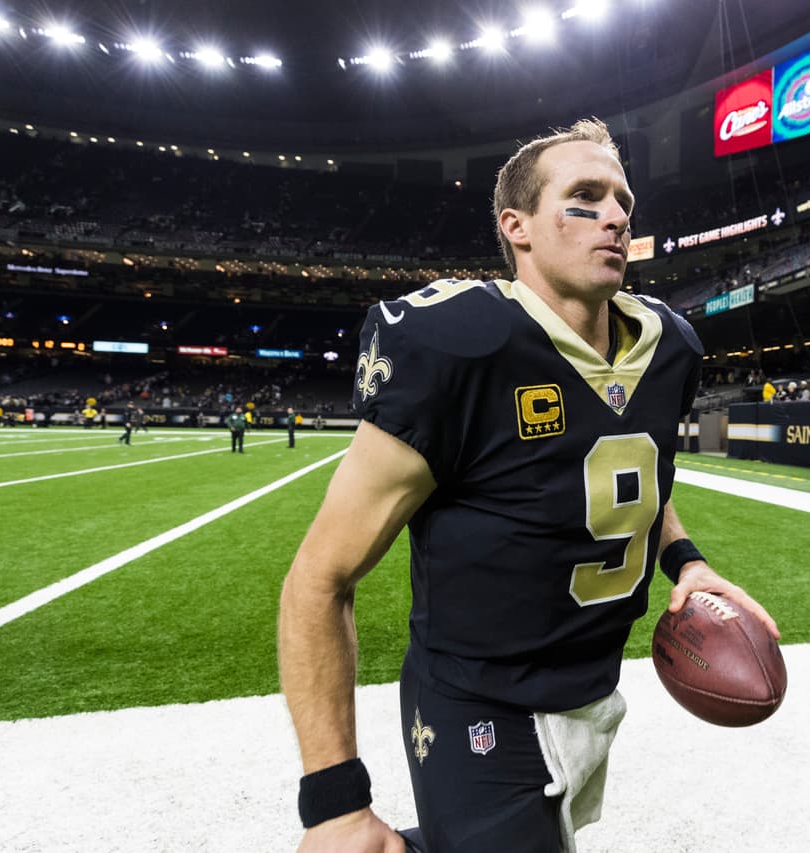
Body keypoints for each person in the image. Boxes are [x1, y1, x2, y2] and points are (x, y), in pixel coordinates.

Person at [278, 118, 779, 853]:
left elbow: (627, 474)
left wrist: (687, 559)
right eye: (584, 197)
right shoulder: (461, 344)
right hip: (479, 704)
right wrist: (333, 802)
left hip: (592, 691)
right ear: (517, 226)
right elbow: (319, 578)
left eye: (622, 201)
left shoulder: (667, 345)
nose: (614, 216)